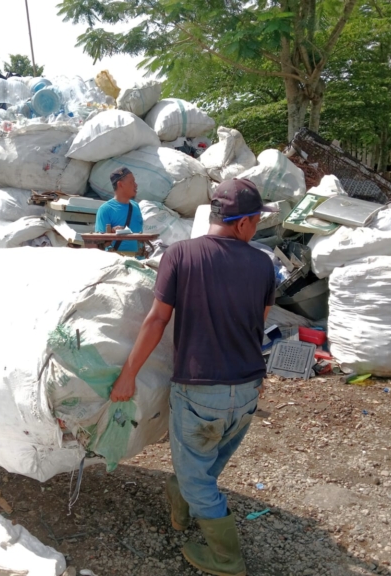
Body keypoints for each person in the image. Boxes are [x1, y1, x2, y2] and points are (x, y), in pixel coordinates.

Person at [109, 178, 277, 576]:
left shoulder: (181, 256)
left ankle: (226, 558)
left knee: (199, 476)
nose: (256, 229)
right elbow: (261, 324)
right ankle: (181, 502)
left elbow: (155, 321)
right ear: (241, 223)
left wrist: (128, 374)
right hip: (249, 387)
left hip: (201, 390)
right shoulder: (263, 264)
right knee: (208, 462)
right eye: (255, 221)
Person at [95, 167, 144, 253]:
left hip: (139, 261)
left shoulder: (135, 206)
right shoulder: (105, 210)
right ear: (120, 184)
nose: (136, 185)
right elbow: (100, 243)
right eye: (131, 182)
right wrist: (113, 232)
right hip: (119, 263)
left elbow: (140, 236)